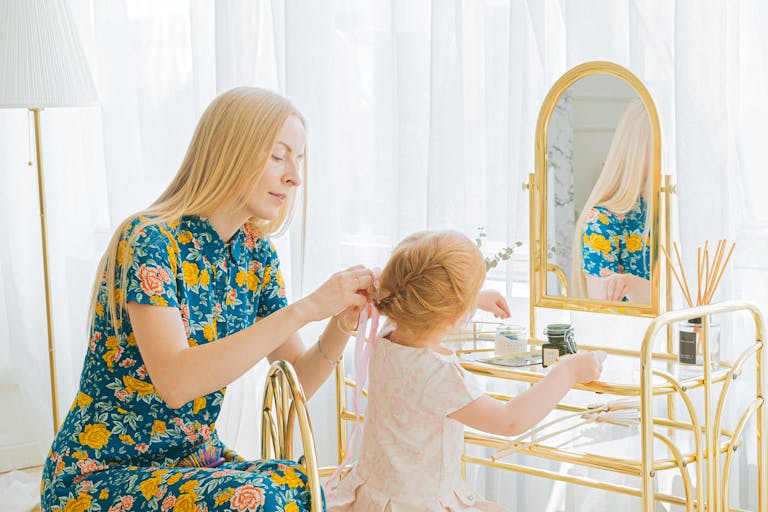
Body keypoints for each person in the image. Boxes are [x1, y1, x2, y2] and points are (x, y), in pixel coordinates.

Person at [41, 87, 379, 512]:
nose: (295, 176)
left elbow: (297, 382)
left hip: (191, 464)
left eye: (298, 160)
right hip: (102, 474)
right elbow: (177, 383)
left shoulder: (255, 254)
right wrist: (308, 307)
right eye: (279, 156)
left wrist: (341, 324)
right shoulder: (149, 239)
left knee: (305, 484)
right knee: (265, 500)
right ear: (231, 152)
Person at [326, 230, 603, 511]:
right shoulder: (438, 375)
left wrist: (474, 299)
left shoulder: (388, 333)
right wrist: (567, 372)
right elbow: (510, 421)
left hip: (379, 494)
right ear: (455, 316)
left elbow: (415, 297)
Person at [571, 99, 653, 303]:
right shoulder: (602, 221)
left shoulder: (677, 216)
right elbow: (605, 310)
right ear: (639, 150)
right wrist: (633, 285)